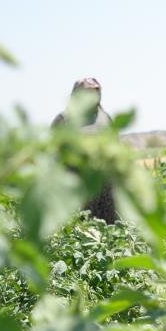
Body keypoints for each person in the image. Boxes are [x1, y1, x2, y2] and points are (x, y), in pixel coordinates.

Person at [51, 77, 117, 224]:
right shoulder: (64, 119)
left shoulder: (105, 119)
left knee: (106, 228)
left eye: (95, 92)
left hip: (103, 184)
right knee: (78, 227)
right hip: (75, 182)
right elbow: (52, 152)